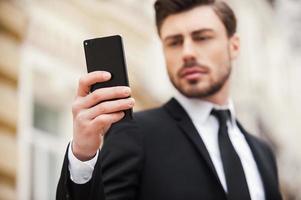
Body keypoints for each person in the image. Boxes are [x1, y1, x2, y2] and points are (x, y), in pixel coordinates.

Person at [56, 0, 282, 199]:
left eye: (202, 38)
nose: (187, 53)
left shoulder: (262, 152)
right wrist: (83, 156)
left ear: (234, 46)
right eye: (174, 42)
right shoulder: (135, 134)